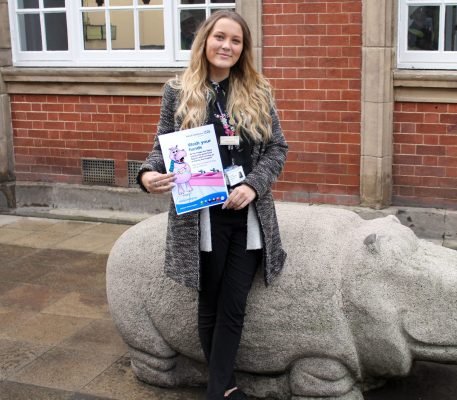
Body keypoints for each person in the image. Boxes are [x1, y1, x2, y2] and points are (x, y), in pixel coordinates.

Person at [136, 10, 288, 400]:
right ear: (205, 41)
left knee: (234, 305)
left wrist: (254, 185)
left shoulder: (258, 90)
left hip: (247, 215)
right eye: (220, 37)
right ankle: (223, 389)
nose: (227, 46)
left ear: (243, 49)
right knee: (210, 302)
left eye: (235, 41)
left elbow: (277, 148)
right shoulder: (177, 91)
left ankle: (218, 389)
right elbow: (162, 147)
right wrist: (147, 175)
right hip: (202, 214)